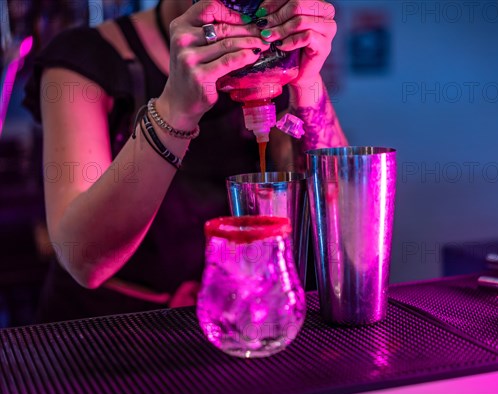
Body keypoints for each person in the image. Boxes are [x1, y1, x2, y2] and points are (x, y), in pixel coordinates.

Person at [23, 0, 348, 322]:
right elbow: (83, 260)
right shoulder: (85, 58)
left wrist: (307, 84)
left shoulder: (271, 53)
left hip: (234, 323)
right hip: (105, 336)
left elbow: (346, 237)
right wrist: (176, 108)